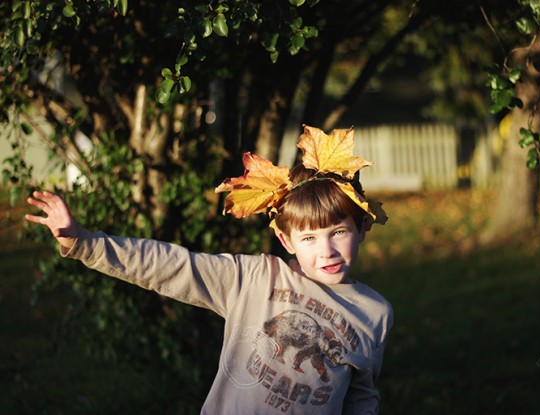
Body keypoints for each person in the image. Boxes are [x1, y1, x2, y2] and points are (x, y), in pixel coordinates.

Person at [25, 125, 393, 414]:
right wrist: (84, 242)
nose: (325, 250)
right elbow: (172, 267)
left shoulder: (374, 314)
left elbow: (359, 394)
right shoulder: (254, 280)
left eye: (339, 232)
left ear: (361, 228)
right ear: (286, 241)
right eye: (309, 238)